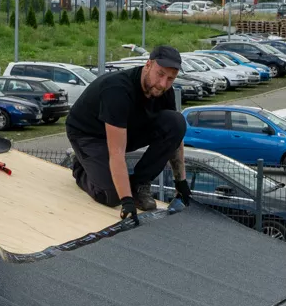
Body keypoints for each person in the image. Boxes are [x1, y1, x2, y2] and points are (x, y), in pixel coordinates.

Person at [65, 45, 191, 222]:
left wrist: (181, 182)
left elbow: (176, 137)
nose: (163, 84)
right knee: (110, 197)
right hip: (88, 134)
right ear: (148, 65)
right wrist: (126, 201)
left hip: (125, 129)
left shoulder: (164, 91)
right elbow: (116, 152)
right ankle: (80, 167)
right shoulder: (118, 90)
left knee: (176, 122)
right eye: (160, 74)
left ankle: (138, 184)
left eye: (170, 79)